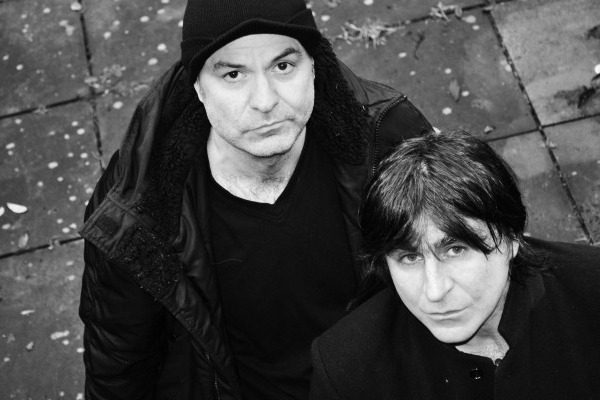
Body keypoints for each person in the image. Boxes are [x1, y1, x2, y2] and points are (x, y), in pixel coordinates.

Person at [78, 0, 433, 399]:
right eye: (233, 74)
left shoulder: (388, 140)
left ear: (314, 66)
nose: (264, 101)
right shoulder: (140, 201)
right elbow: (119, 362)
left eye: (283, 66)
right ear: (198, 87)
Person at [310, 130, 600, 400]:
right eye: (409, 257)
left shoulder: (591, 291)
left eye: (456, 250)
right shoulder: (347, 370)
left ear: (512, 238)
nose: (435, 291)